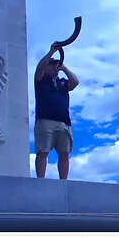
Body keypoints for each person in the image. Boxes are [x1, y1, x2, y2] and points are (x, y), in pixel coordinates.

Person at [34, 42, 79, 179]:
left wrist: (64, 68)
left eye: (56, 65)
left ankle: (63, 183)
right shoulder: (41, 79)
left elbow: (75, 82)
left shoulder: (63, 82)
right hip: (46, 120)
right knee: (43, 152)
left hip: (64, 123)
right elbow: (40, 68)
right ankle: (40, 181)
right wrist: (52, 52)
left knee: (64, 153)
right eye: (52, 65)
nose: (55, 68)